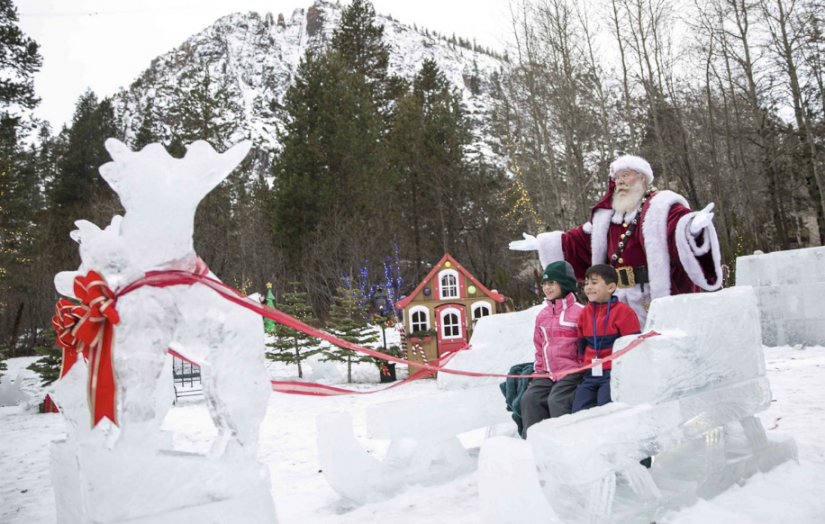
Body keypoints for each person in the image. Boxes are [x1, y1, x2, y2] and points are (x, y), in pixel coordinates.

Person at [510, 155, 722, 327]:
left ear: (642, 179)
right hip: (619, 297)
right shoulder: (609, 218)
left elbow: (677, 225)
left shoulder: (662, 207)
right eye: (617, 177)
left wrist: (693, 229)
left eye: (625, 175)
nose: (619, 181)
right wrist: (542, 244)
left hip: (652, 294)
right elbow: (579, 242)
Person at [519, 261, 585, 436]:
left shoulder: (580, 312)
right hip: (547, 372)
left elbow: (585, 346)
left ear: (564, 284)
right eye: (544, 284)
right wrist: (539, 372)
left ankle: (564, 443)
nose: (547, 288)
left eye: (552, 283)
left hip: (572, 371)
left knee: (557, 400)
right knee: (530, 398)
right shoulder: (543, 315)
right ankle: (534, 444)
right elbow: (539, 348)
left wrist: (583, 370)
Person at [572, 264, 640, 412]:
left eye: (594, 283)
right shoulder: (584, 314)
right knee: (578, 410)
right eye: (586, 283)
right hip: (591, 373)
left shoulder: (624, 312)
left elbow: (633, 349)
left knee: (605, 409)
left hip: (613, 373)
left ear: (610, 287)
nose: (588, 287)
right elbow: (582, 345)